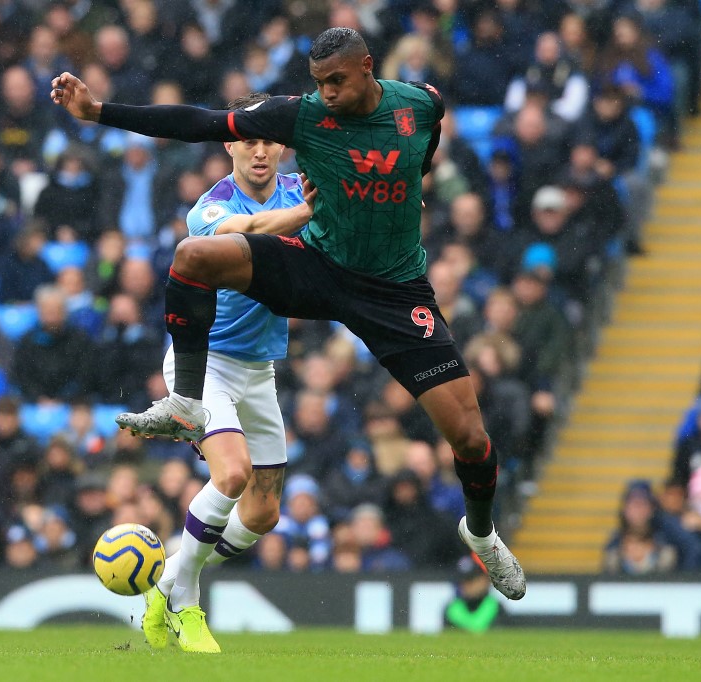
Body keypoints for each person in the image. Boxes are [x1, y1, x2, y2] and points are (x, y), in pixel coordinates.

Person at [52, 27, 525, 602]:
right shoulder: (297, 117)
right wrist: (98, 111)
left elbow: (421, 152)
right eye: (318, 82)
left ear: (368, 67)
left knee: (471, 439)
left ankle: (480, 534)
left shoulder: (420, 104)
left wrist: (406, 185)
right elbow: (198, 122)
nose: (325, 93)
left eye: (337, 81)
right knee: (195, 255)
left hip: (395, 293)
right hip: (318, 264)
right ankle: (186, 400)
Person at [140, 93, 316, 654]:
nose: (260, 151)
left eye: (269, 140)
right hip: (205, 363)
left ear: (282, 146)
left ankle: (167, 577)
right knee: (232, 475)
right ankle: (184, 599)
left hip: (259, 368)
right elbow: (251, 234)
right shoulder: (209, 207)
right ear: (230, 145)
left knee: (262, 513)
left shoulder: (297, 187)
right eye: (249, 140)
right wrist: (320, 211)